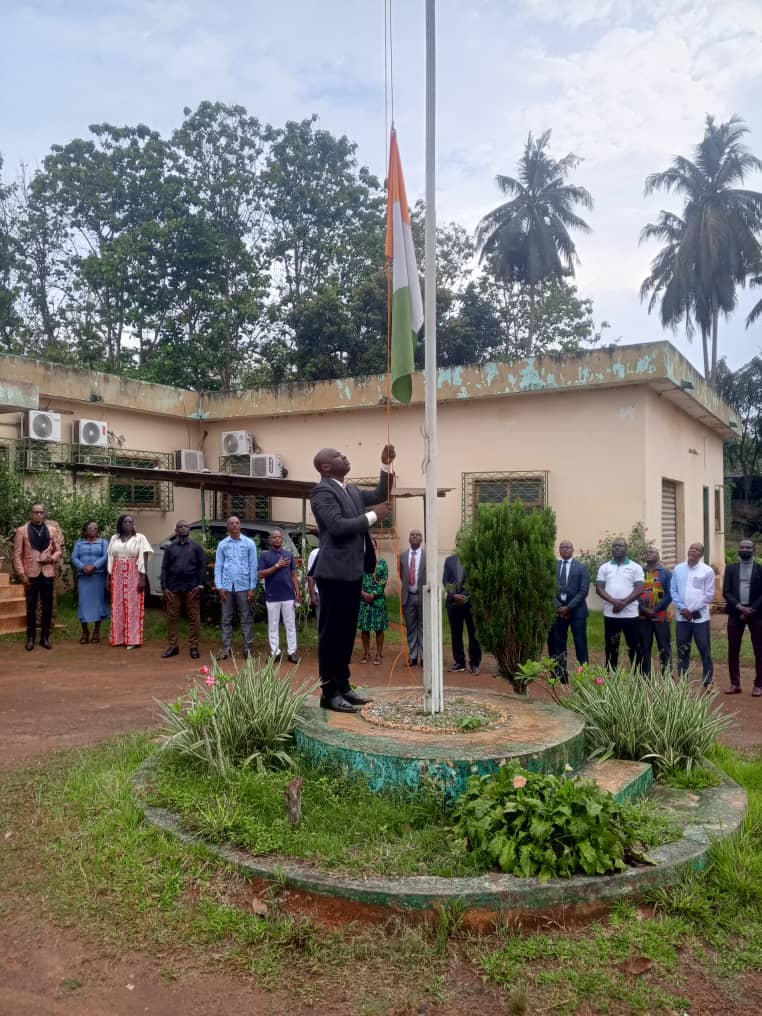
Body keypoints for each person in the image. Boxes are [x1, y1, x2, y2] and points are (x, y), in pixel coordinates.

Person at [310, 444, 394, 713]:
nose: (344, 456)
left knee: (346, 634)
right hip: (333, 573)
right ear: (325, 467)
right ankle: (329, 692)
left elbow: (381, 493)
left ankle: (344, 685)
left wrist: (385, 466)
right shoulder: (322, 491)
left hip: (353, 571)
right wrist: (372, 515)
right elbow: (336, 526)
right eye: (337, 456)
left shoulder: (353, 490)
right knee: (331, 635)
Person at [13, 502, 65, 651]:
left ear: (44, 514)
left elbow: (58, 550)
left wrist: (52, 559)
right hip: (30, 574)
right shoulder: (22, 531)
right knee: (31, 607)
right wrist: (22, 574)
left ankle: (45, 637)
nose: (38, 515)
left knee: (47, 607)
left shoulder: (52, 529)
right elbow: (17, 555)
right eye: (36, 512)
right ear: (31, 514)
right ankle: (30, 638)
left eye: (41, 512)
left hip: (47, 572)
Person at [595, 538, 644, 671]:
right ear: (612, 549)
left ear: (626, 549)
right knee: (611, 646)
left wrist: (623, 603)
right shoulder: (604, 567)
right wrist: (614, 602)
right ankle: (611, 673)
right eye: (615, 546)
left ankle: (638, 675)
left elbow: (639, 589)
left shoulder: (635, 567)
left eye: (620, 546)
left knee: (634, 646)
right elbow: (599, 588)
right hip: (611, 615)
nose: (617, 548)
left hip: (631, 615)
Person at [671, 541, 716, 689]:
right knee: (682, 648)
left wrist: (692, 609)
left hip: (700, 618)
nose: (693, 551)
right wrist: (683, 608)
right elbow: (673, 591)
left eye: (697, 550)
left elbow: (708, 595)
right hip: (682, 617)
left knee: (704, 648)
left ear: (701, 554)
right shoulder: (678, 569)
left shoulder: (707, 571)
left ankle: (708, 680)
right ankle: (683, 679)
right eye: (691, 548)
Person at [213, 516, 258, 660]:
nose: (234, 525)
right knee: (226, 619)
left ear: (240, 525)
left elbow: (253, 566)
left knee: (246, 618)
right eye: (231, 523)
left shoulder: (249, 543)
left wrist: (252, 588)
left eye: (237, 522)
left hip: (244, 586)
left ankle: (248, 648)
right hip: (226, 587)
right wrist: (219, 587)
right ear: (228, 527)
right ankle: (226, 648)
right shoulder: (223, 545)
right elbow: (218, 566)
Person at [160, 520, 207, 660]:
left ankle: (193, 646)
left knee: (194, 618)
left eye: (185, 526)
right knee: (172, 618)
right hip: (173, 588)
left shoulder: (196, 548)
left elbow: (202, 567)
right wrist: (165, 587)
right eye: (180, 527)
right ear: (176, 530)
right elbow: (164, 568)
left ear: (189, 529)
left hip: (192, 588)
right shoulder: (170, 548)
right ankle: (173, 646)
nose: (183, 528)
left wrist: (200, 585)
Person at [722, 538, 762, 696]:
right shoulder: (731, 568)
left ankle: (759, 685)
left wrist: (751, 609)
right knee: (733, 649)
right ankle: (735, 684)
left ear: (754, 550)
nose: (744, 549)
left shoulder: (760, 569)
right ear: (739, 549)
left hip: (757, 613)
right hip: (735, 612)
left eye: (748, 547)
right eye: (742, 547)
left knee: (759, 650)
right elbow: (726, 591)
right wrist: (740, 607)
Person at [107, 514, 152, 650]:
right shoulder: (114, 538)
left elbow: (143, 557)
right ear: (121, 524)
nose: (128, 523)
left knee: (133, 605)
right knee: (117, 605)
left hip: (134, 572)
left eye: (130, 521)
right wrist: (108, 577)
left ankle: (133, 639)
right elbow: (110, 557)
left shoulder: (140, 538)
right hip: (117, 573)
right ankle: (118, 638)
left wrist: (143, 577)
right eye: (125, 521)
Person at [547, 540, 589, 682]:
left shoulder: (582, 567)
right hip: (558, 612)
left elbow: (583, 591)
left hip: (577, 612)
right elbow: (548, 588)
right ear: (559, 550)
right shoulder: (553, 567)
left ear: (573, 549)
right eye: (562, 547)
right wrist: (559, 607)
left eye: (567, 547)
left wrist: (569, 607)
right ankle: (560, 675)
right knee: (557, 643)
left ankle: (583, 676)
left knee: (580, 643)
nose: (564, 549)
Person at [259, 528, 301, 663]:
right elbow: (261, 574)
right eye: (274, 537)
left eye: (279, 537)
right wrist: (277, 566)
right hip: (272, 596)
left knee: (290, 624)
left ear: (282, 540)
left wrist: (298, 593)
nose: (277, 539)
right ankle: (275, 652)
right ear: (270, 540)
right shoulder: (265, 556)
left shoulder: (289, 555)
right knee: (273, 625)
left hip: (288, 595)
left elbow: (294, 575)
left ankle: (292, 652)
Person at [442, 552, 481, 675]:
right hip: (453, 603)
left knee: (473, 633)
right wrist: (454, 595)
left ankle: (475, 663)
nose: (460, 542)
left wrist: (464, 595)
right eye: (458, 540)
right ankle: (459, 662)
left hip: (470, 603)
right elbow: (445, 579)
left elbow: (475, 579)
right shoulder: (449, 560)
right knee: (456, 633)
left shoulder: (475, 558)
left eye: (462, 539)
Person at [71, 521, 110, 644]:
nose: (92, 529)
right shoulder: (79, 543)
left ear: (98, 530)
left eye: (95, 528)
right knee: (83, 604)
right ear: (85, 530)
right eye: (89, 527)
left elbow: (106, 556)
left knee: (98, 604)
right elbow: (74, 557)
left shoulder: (104, 543)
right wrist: (83, 567)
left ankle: (96, 631)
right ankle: (85, 631)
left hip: (98, 576)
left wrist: (94, 566)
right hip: (84, 577)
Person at [638, 547, 673, 678]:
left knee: (664, 647)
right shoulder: (639, 572)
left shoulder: (665, 573)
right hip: (643, 617)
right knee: (644, 647)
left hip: (661, 616)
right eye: (646, 552)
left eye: (651, 552)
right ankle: (645, 676)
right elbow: (634, 593)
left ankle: (667, 676)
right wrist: (643, 609)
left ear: (658, 557)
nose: (648, 553)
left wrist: (656, 609)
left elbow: (670, 594)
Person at [358, 538, 389, 665]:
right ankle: (366, 653)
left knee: (379, 629)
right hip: (363, 600)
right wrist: (363, 594)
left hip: (378, 601)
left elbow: (383, 581)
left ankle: (379, 654)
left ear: (376, 548)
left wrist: (373, 594)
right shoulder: (358, 563)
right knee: (364, 629)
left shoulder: (382, 563)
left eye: (372, 546)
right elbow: (355, 580)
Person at [399, 529, 426, 666]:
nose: (414, 536)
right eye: (412, 535)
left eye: (417, 535)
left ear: (421, 539)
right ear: (409, 539)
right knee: (411, 627)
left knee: (422, 626)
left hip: (422, 597)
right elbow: (401, 575)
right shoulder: (402, 556)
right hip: (408, 597)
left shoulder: (427, 556)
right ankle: (413, 655)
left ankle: (423, 656)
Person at [307, 546, 320, 625]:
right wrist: (312, 595)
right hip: (320, 593)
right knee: (321, 623)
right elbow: (311, 575)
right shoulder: (314, 553)